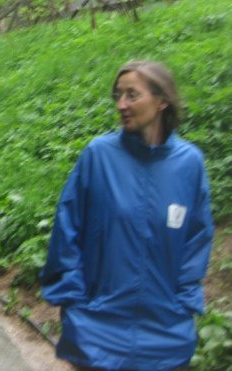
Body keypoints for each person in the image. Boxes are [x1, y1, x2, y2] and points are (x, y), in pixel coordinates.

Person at [39, 61, 214, 370]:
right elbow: (66, 232)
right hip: (97, 330)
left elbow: (196, 240)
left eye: (132, 95)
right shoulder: (98, 156)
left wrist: (183, 303)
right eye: (118, 95)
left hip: (165, 333)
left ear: (161, 101)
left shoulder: (189, 164)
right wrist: (75, 303)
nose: (121, 104)